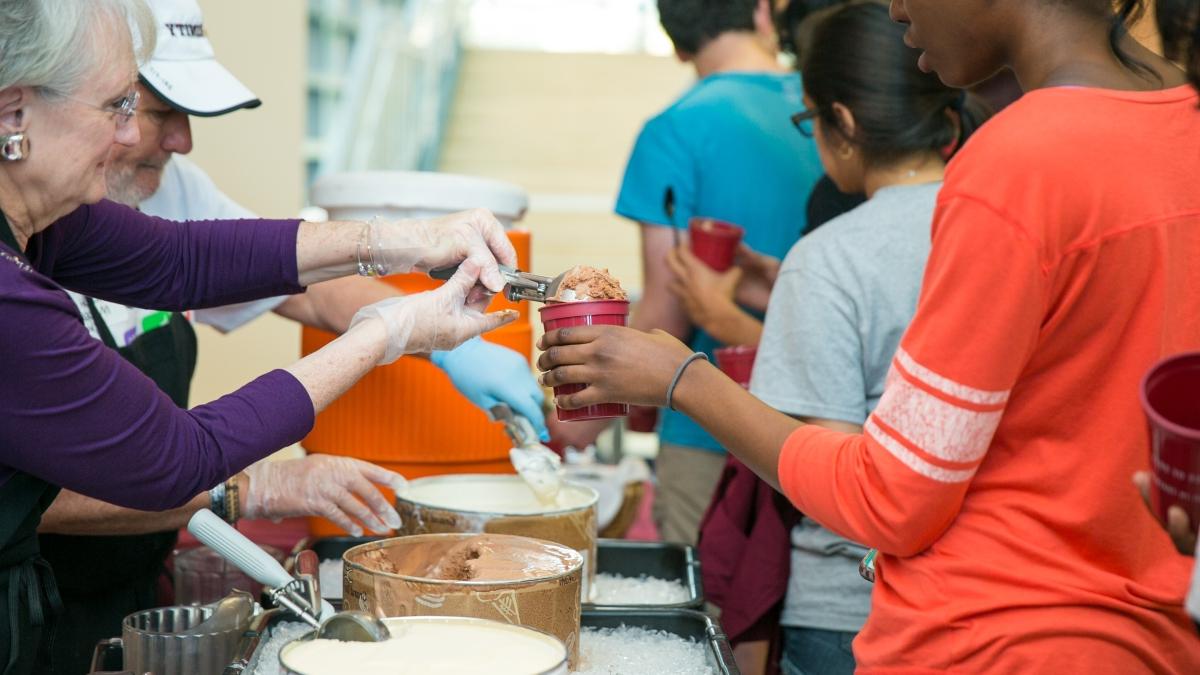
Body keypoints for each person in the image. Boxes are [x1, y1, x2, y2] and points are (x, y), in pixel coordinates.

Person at [538, 0, 1200, 670]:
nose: (895, 8)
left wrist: (680, 378)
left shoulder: (1019, 163)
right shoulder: (1180, 124)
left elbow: (889, 495)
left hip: (990, 638)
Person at [29, 2, 547, 671]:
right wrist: (258, 483)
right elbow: (147, 461)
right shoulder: (30, 254)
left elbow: (231, 267)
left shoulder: (126, 207)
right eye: (134, 109)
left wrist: (411, 273)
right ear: (20, 112)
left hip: (132, 582)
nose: (174, 139)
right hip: (35, 593)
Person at [674, 4, 990, 673]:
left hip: (850, 612)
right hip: (976, 600)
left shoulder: (830, 256)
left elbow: (835, 475)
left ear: (841, 125)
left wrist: (677, 378)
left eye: (810, 119)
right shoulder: (996, 224)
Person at [555, 0, 823, 546]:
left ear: (674, 38)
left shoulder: (674, 130)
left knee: (715, 613)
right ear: (763, 12)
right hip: (830, 423)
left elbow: (669, 306)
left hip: (714, 432)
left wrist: (573, 424)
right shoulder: (833, 102)